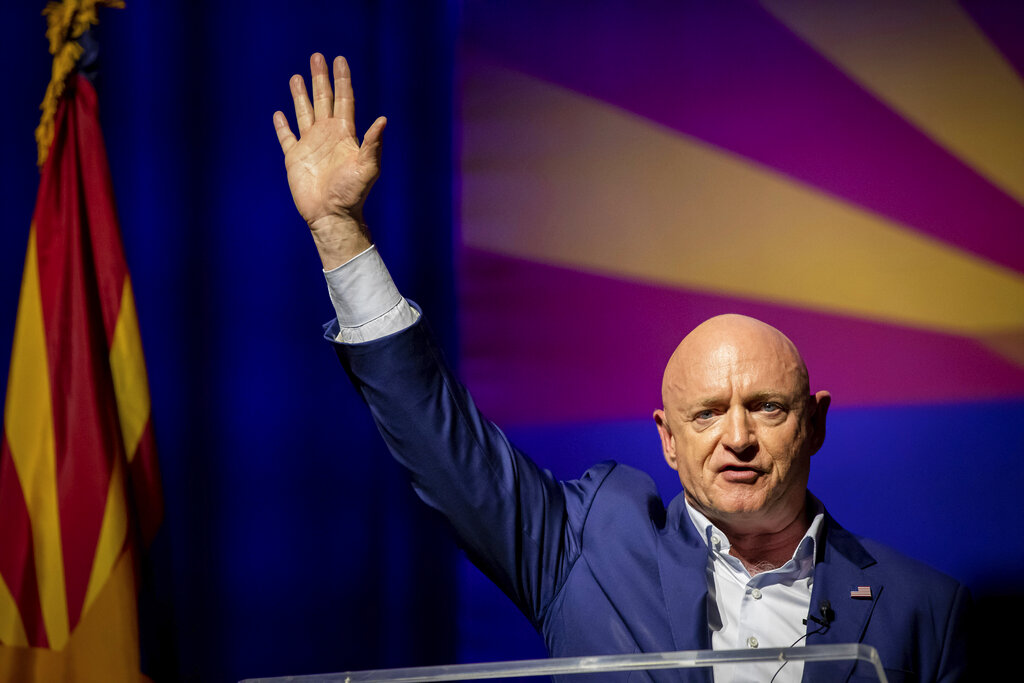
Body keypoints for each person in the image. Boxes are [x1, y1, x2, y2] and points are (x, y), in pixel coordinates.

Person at [274, 53, 970, 682]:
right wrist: (340, 232)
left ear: (814, 422)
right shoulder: (587, 551)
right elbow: (443, 446)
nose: (737, 438)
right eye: (707, 414)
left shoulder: (924, 609)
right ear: (667, 438)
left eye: (766, 407)